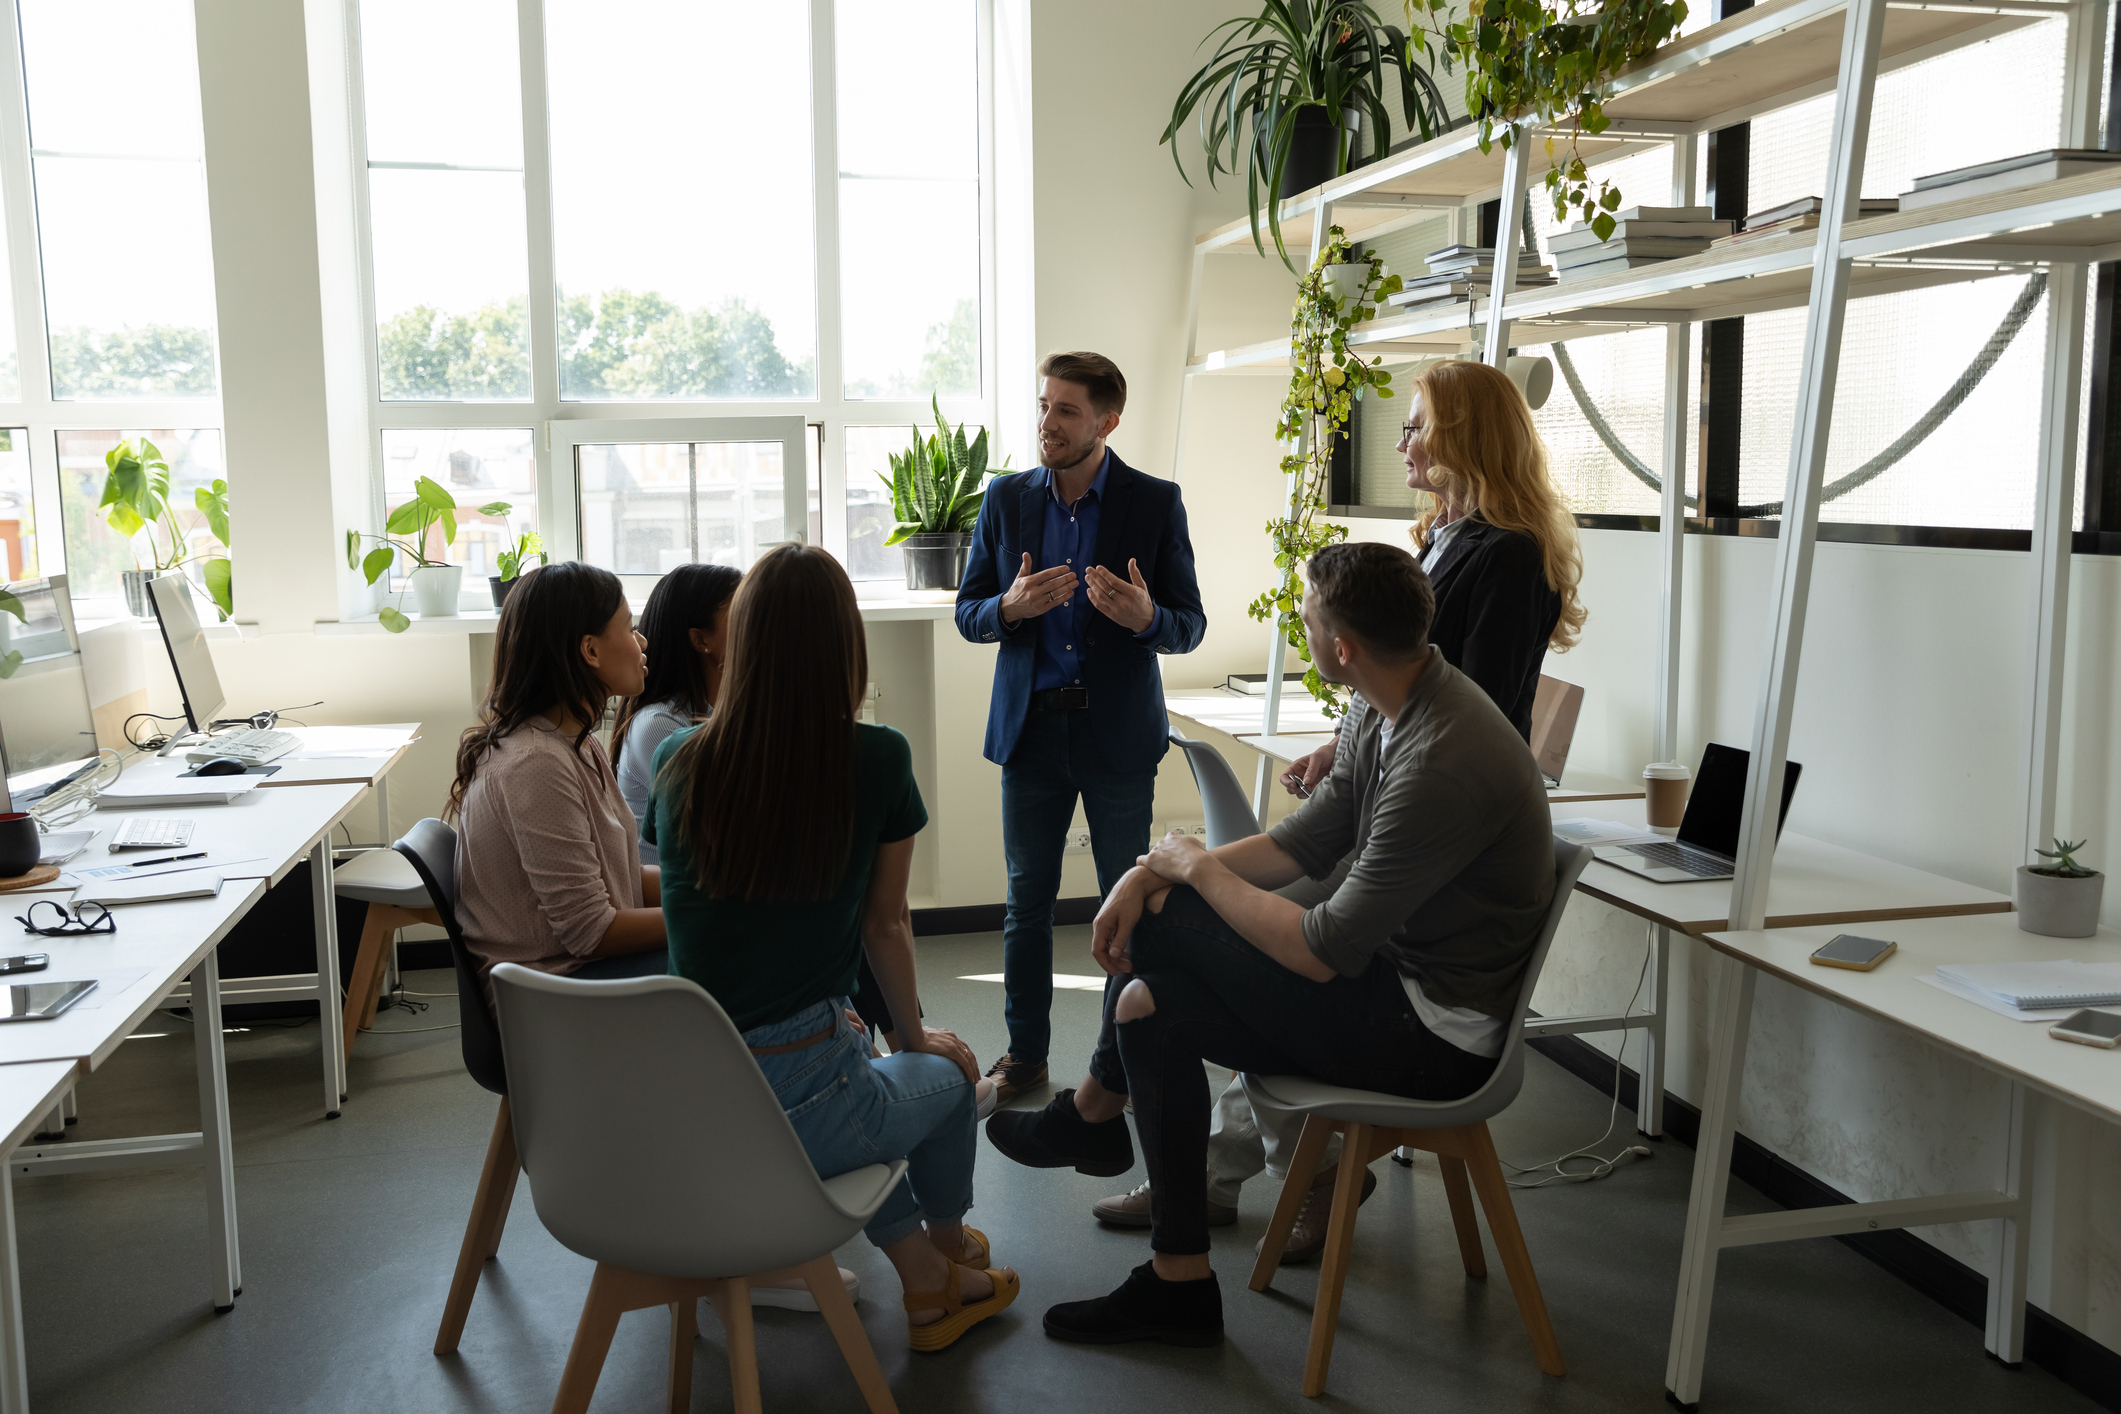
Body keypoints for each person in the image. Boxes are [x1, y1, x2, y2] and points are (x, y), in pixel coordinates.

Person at [987, 541, 1555, 1347]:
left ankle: (1089, 1113)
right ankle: (1177, 1282)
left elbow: (1319, 949)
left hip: (1434, 1038)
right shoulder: (1382, 700)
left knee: (1165, 924)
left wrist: (1179, 874)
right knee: (1149, 1005)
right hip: (1389, 990)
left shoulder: (1441, 758)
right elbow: (1307, 843)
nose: (1301, 627)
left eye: (1309, 619)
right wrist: (1153, 870)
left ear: (1342, 647)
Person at [1090, 357, 1588, 1248]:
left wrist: (1182, 868)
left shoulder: (1498, 574)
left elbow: (1467, 706)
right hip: (1401, 869)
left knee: (1191, 938)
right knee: (1157, 984)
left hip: (1423, 947)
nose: (1401, 439)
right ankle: (1203, 1192)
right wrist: (1153, 869)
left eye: (1418, 422)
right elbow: (1380, 721)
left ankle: (1104, 1121)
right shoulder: (1442, 549)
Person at [646, 544, 1020, 1351]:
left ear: (740, 642)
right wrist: (916, 1036)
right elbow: (884, 923)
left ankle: (921, 1274)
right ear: (843, 647)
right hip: (803, 1095)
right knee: (951, 1080)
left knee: (859, 1094)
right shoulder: (877, 757)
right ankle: (946, 1255)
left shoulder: (680, 759)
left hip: (695, 1097)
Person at [955, 351, 1206, 1103]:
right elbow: (969, 614)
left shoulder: (1154, 503)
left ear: (1107, 420)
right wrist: (1009, 608)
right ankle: (1024, 1055)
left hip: (1117, 738)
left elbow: (1187, 626)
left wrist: (1145, 619)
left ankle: (1112, 1064)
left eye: (1065, 410)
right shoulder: (1004, 501)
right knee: (1024, 902)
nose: (1046, 423)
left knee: (1122, 903)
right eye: (1043, 406)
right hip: (1030, 734)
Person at [451, 561, 668, 988]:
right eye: (628, 627)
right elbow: (592, 931)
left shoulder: (572, 740)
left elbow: (625, 874)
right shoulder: (536, 764)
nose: (642, 641)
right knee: (750, 950)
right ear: (590, 650)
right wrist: (717, 913)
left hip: (583, 974)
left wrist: (716, 888)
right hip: (560, 996)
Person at [612, 562, 742, 864]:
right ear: (700, 640)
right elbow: (729, 831)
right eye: (743, 614)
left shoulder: (726, 709)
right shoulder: (660, 724)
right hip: (666, 901)